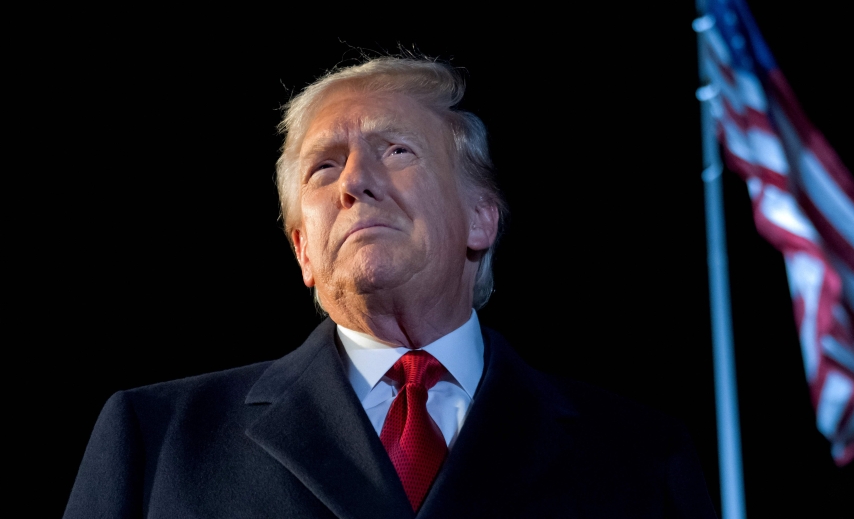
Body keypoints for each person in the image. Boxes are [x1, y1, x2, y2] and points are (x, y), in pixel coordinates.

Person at [64, 56, 717, 518]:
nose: (355, 182)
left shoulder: (639, 454)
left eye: (396, 150)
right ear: (303, 254)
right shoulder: (158, 438)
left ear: (481, 218)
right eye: (325, 167)